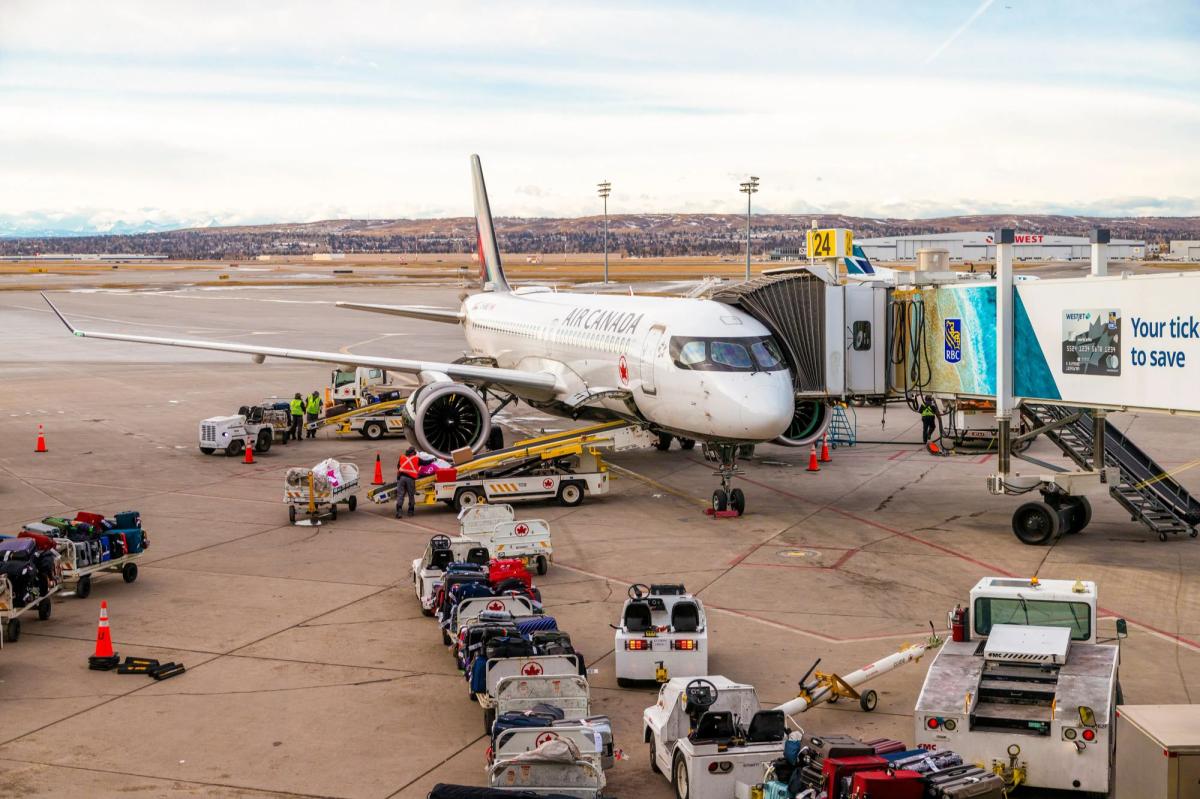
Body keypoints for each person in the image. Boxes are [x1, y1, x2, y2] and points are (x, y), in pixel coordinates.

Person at [396, 447, 420, 518]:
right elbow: (425, 462)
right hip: (410, 479)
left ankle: (399, 511)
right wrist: (433, 459)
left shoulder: (402, 457)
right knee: (411, 495)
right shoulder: (416, 459)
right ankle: (410, 511)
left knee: (400, 495)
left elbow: (398, 466)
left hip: (401, 478)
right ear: (413, 453)